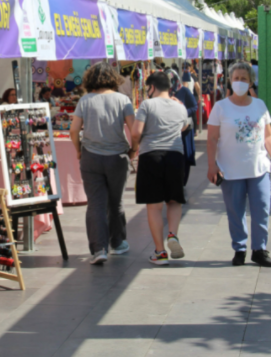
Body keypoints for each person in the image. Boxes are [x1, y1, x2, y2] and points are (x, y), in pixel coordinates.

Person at [207, 61, 271, 268]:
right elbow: (212, 138)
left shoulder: (259, 105)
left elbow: (268, 136)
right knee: (235, 211)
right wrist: (212, 165)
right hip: (230, 170)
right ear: (230, 80)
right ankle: (239, 249)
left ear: (251, 82)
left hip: (258, 168)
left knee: (262, 209)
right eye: (236, 78)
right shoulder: (220, 107)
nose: (239, 82)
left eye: (244, 79)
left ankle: (259, 249)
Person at [70, 62, 135, 265]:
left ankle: (99, 249)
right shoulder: (123, 100)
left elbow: (73, 130)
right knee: (115, 202)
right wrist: (134, 149)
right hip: (117, 156)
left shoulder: (85, 101)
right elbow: (134, 130)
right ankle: (118, 242)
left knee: (96, 203)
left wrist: (79, 150)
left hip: (91, 156)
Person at [130, 72, 191, 265]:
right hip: (175, 156)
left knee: (154, 206)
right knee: (174, 200)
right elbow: (184, 128)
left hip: (151, 156)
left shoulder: (147, 105)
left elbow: (136, 132)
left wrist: (134, 148)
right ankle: (172, 235)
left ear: (152, 87)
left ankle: (160, 252)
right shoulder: (180, 107)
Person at [166, 70, 198, 186]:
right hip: (171, 130)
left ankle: (183, 181)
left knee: (185, 156)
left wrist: (181, 109)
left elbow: (194, 106)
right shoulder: (165, 93)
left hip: (185, 130)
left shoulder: (184, 91)